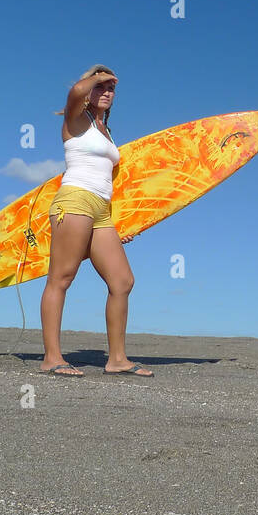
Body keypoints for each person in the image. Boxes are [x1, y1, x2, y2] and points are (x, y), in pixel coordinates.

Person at [38, 65, 153, 379]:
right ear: (89, 90)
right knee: (61, 278)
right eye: (100, 87)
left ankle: (116, 359)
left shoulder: (106, 130)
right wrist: (97, 77)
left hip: (101, 210)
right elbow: (75, 92)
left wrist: (120, 223)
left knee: (122, 281)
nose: (106, 93)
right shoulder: (76, 119)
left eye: (111, 89)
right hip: (74, 202)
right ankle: (52, 357)